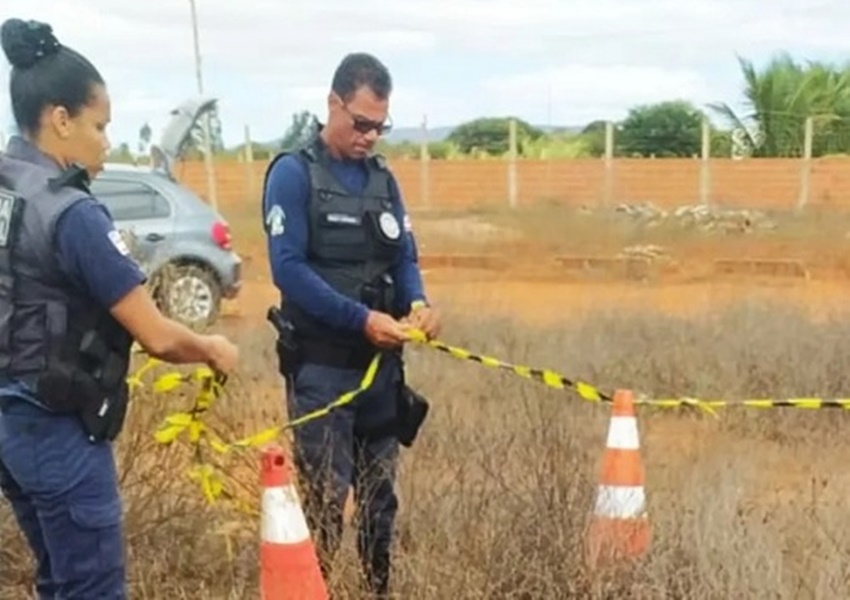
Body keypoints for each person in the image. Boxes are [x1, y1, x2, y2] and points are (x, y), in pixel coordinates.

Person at [0, 18, 239, 599]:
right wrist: (211, 347)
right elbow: (155, 334)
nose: (106, 141)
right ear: (60, 120)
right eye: (99, 125)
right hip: (56, 424)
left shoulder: (9, 189)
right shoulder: (73, 214)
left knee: (59, 579)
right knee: (93, 588)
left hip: (11, 423)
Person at [262, 52, 439, 596]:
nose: (369, 137)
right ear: (334, 103)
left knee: (380, 496)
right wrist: (360, 319)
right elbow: (287, 270)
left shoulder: (383, 180)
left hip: (381, 371)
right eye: (361, 123)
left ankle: (375, 587)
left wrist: (419, 304)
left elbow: (403, 256)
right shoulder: (293, 175)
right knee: (324, 499)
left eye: (379, 126)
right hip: (323, 371)